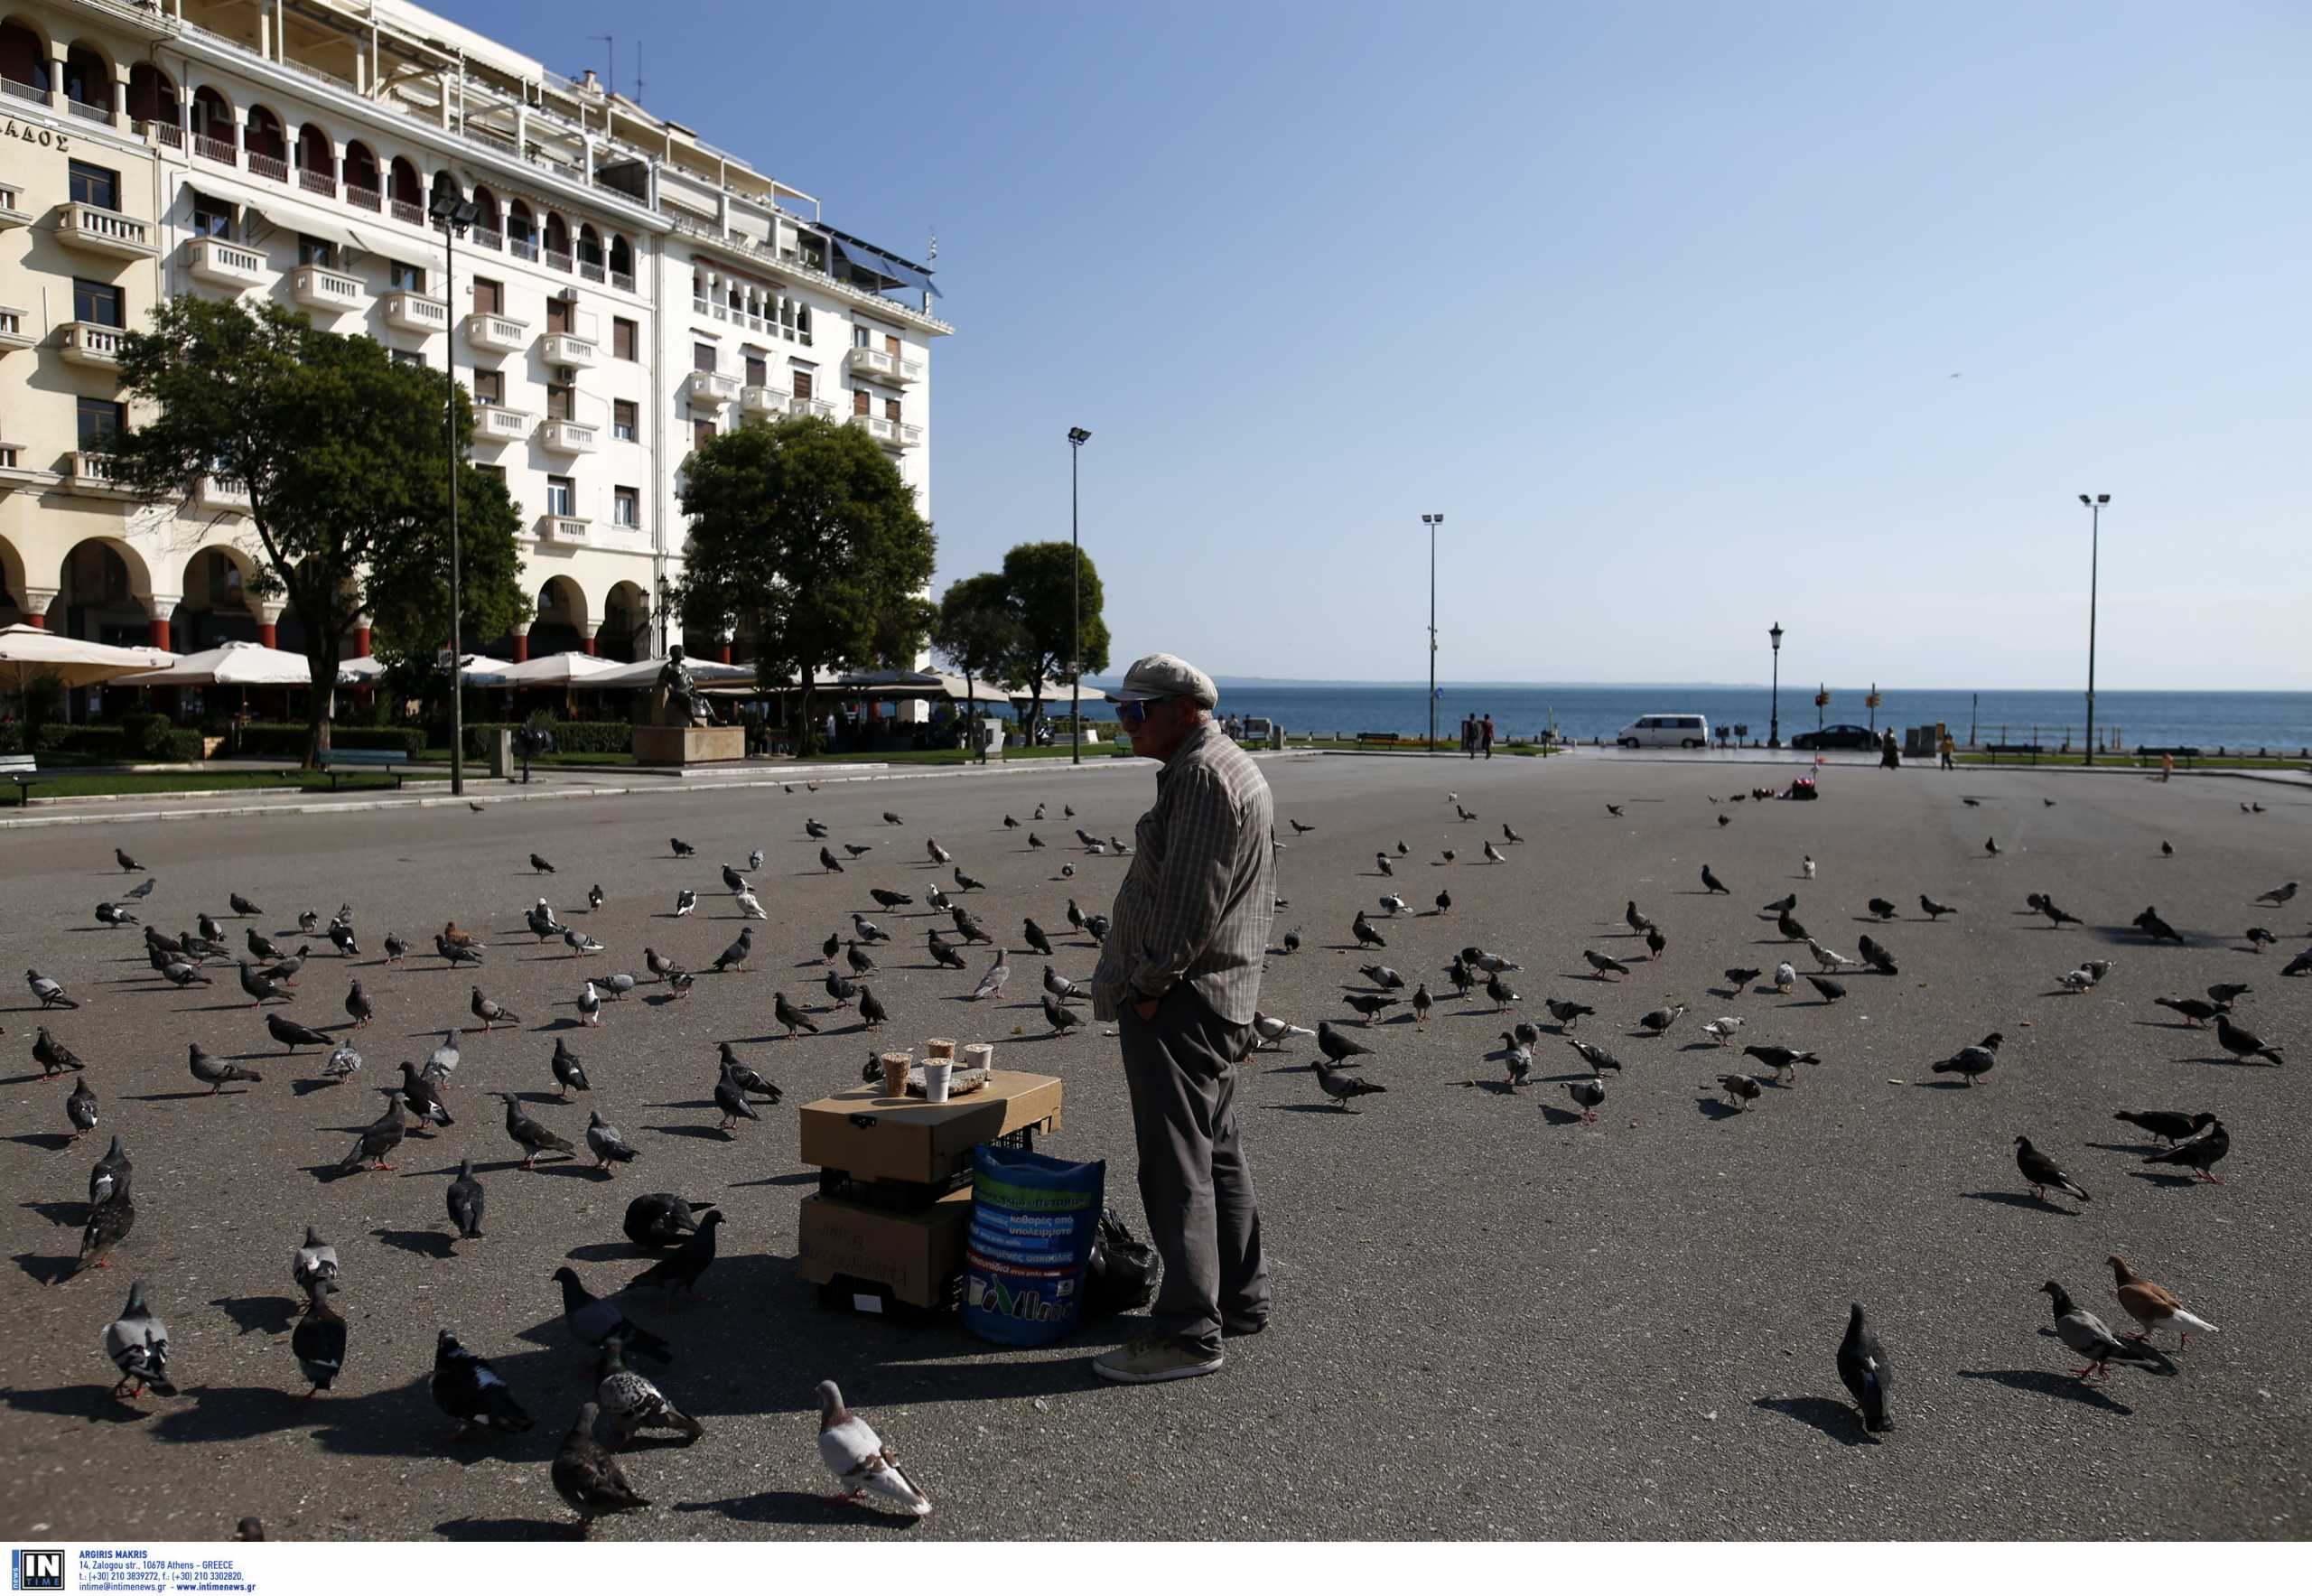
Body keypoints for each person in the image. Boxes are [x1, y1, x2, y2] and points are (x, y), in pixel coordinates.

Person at [1089, 653, 1275, 1385]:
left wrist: (1146, 985)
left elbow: (1190, 906)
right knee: (1216, 1151)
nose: (1124, 724)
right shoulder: (1228, 765)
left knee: (1176, 1167)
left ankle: (1188, 1332)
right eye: (1121, 711)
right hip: (1217, 997)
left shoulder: (1202, 776)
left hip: (1184, 1002)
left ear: (1178, 709)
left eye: (1134, 711)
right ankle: (1239, 1297)